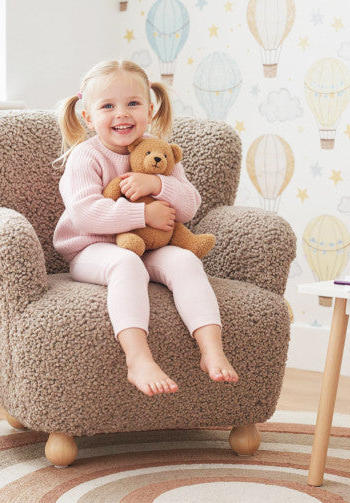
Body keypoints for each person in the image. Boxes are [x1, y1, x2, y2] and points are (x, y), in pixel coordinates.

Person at [53, 59, 238, 397]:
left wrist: (157, 185)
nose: (122, 114)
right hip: (91, 248)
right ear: (88, 117)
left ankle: (211, 349)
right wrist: (144, 215)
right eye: (108, 106)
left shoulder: (158, 152)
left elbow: (189, 205)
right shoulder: (86, 156)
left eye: (133, 103)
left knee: (186, 261)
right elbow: (85, 214)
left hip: (148, 246)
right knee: (126, 264)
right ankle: (138, 359)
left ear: (150, 110)